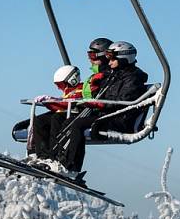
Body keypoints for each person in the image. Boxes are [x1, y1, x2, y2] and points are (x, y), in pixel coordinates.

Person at [48, 40, 148, 178]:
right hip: (108, 114)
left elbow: (124, 100)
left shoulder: (133, 78)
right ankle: (54, 159)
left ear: (124, 58)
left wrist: (100, 104)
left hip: (120, 118)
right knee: (69, 120)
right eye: (108, 58)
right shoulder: (115, 74)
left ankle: (71, 166)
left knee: (78, 124)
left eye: (112, 58)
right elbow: (103, 95)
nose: (109, 62)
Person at [25, 37, 113, 160]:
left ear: (103, 56)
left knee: (57, 119)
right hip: (80, 108)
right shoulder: (95, 75)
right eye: (89, 55)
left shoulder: (107, 76)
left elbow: (94, 96)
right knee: (40, 121)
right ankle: (41, 157)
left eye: (93, 55)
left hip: (86, 111)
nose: (89, 59)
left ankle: (55, 158)